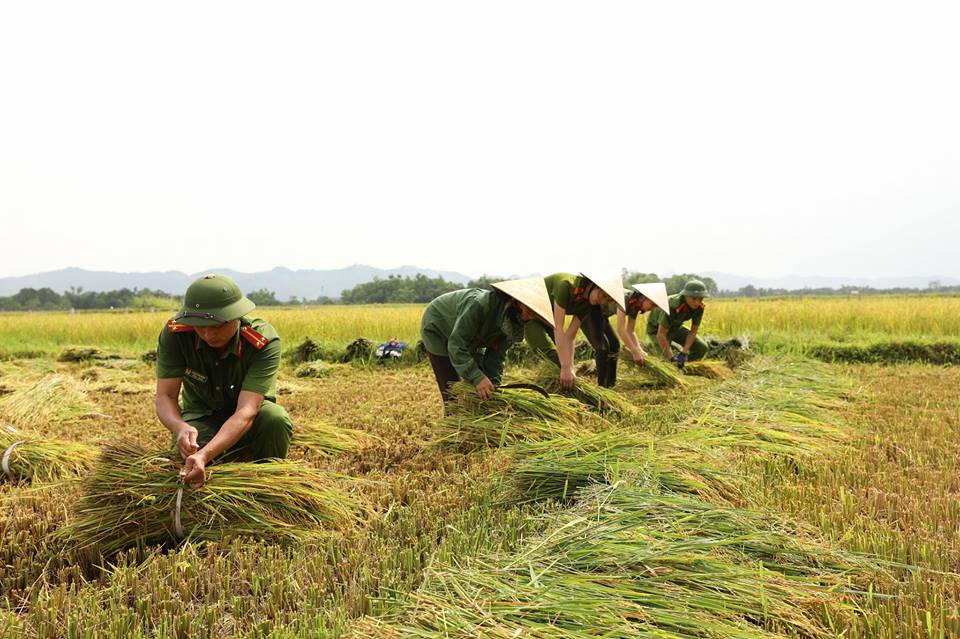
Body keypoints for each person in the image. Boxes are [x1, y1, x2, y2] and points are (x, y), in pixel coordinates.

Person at [155, 274, 292, 487]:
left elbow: (246, 411)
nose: (208, 334)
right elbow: (166, 395)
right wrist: (179, 426)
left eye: (218, 325)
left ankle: (270, 483)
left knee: (275, 419)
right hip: (202, 415)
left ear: (236, 316)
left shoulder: (261, 341)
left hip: (250, 418)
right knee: (190, 457)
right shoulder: (176, 335)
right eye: (200, 326)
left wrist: (205, 455)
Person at [420, 277, 554, 403]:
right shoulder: (478, 305)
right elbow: (456, 345)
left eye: (534, 314)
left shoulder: (515, 323)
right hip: (437, 327)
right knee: (452, 390)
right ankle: (452, 421)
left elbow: (497, 356)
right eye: (529, 310)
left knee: (481, 382)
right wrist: (478, 378)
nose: (530, 317)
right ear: (516, 301)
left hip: (473, 338)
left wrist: (493, 385)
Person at [523, 273, 625, 389]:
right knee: (546, 351)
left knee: (563, 357)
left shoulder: (587, 303)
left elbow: (570, 336)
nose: (602, 301)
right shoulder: (566, 285)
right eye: (603, 295)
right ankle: (560, 383)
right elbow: (559, 328)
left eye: (607, 300)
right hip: (530, 313)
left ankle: (566, 385)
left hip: (549, 317)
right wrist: (566, 367)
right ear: (594, 285)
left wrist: (570, 368)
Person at [646, 279, 710, 370]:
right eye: (694, 298)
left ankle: (685, 368)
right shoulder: (672, 305)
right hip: (656, 329)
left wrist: (684, 353)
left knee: (701, 348)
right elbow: (661, 334)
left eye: (700, 299)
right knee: (667, 361)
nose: (697, 302)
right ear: (685, 296)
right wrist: (671, 358)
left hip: (675, 327)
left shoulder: (699, 307)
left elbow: (693, 331)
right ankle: (674, 370)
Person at [612, 282, 670, 366]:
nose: (652, 309)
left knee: (613, 345)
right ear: (644, 297)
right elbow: (621, 328)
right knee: (609, 346)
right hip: (594, 310)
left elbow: (630, 331)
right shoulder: (625, 298)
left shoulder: (635, 306)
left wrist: (640, 350)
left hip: (602, 316)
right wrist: (634, 352)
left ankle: (609, 378)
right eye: (652, 304)